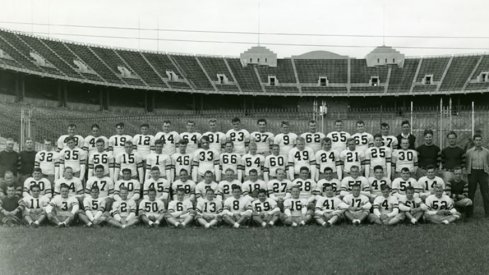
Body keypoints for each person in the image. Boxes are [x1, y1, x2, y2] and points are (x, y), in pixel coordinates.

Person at [465, 133, 489, 218]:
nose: (478, 142)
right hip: (473, 172)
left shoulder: (486, 152)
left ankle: (487, 213)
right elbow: (466, 163)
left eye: (480, 140)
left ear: (481, 141)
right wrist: (468, 172)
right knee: (471, 193)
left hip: (483, 173)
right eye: (476, 140)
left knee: (485, 193)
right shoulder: (469, 152)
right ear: (474, 141)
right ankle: (470, 213)